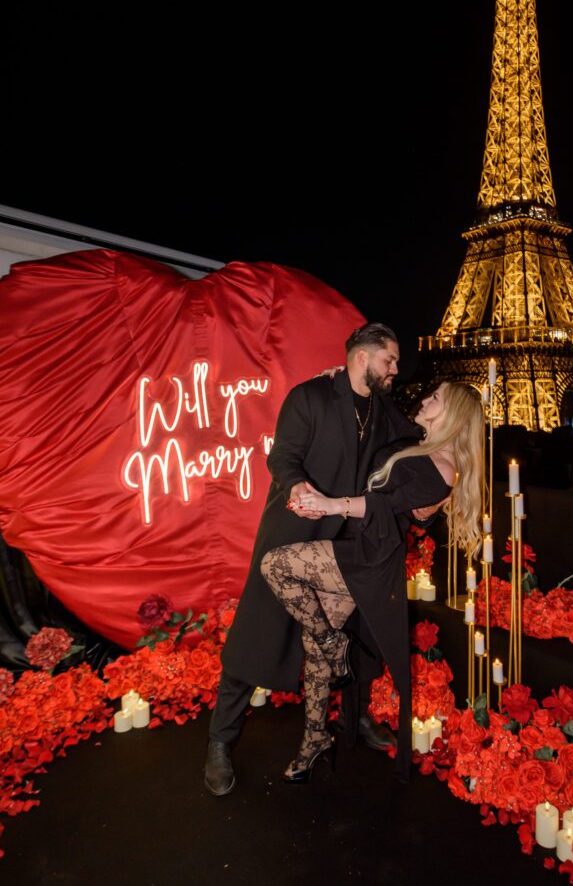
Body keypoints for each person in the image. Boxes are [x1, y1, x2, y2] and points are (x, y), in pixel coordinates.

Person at [204, 322, 423, 796]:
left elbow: (426, 435)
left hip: (348, 546)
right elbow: (282, 456)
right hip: (292, 538)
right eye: (390, 360)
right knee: (257, 636)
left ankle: (356, 717)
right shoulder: (309, 397)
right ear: (362, 358)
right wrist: (297, 484)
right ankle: (220, 742)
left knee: (354, 637)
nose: (396, 370)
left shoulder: (386, 409)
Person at [260, 380, 483, 783]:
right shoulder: (418, 444)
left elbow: (386, 505)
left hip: (371, 559)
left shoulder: (444, 467)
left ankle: (335, 644)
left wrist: (331, 505)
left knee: (275, 565)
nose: (426, 399)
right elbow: (384, 406)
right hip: (358, 546)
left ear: (453, 416)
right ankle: (314, 740)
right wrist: (345, 379)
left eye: (436, 399)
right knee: (315, 647)